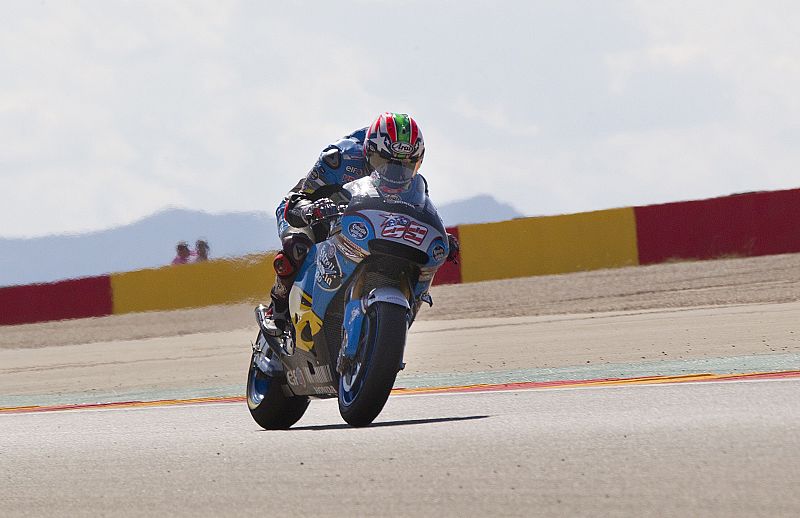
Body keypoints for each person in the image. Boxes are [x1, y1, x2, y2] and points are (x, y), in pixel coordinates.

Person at [262, 112, 459, 336]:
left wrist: (440, 235)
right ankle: (277, 307)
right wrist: (310, 209)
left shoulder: (412, 182)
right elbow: (301, 196)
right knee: (298, 245)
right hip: (310, 209)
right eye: (385, 163)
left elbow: (418, 209)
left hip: (361, 223)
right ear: (369, 152)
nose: (394, 173)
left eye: (405, 166)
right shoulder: (339, 158)